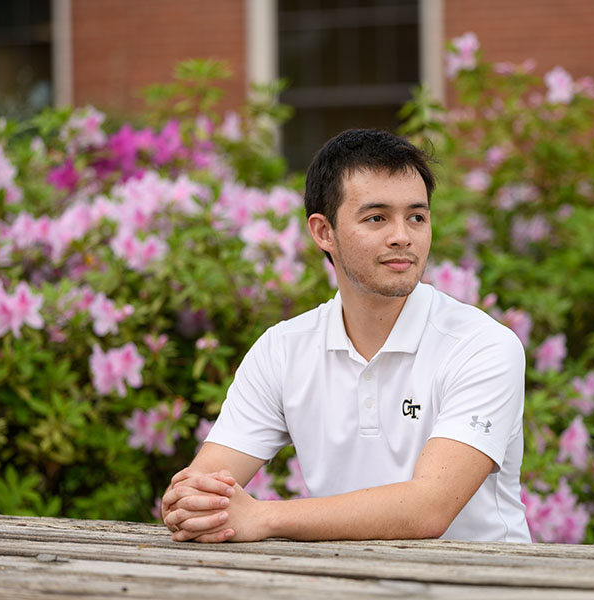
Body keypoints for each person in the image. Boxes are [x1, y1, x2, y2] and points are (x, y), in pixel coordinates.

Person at [161, 129, 530, 543]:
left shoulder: (481, 346)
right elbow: (200, 485)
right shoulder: (283, 349)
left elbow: (429, 509)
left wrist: (265, 517)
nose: (402, 236)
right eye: (377, 218)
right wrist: (189, 502)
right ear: (323, 232)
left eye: (417, 216)